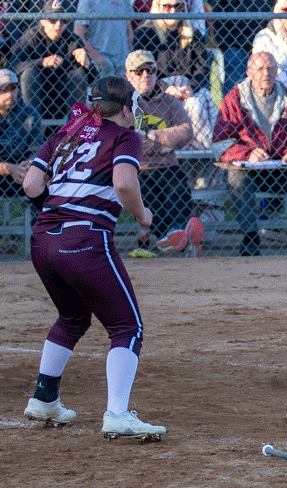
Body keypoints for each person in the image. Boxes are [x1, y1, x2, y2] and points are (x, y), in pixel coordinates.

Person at [21, 76, 166, 439]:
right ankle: (117, 413)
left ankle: (44, 398)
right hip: (84, 238)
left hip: (42, 238)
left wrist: (60, 212)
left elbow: (31, 185)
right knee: (127, 328)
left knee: (72, 317)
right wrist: (142, 215)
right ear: (125, 108)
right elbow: (123, 183)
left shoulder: (69, 130)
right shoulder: (124, 135)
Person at [213, 51, 287, 256]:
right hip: (252, 171)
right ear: (249, 72)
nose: (266, 73)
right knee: (235, 176)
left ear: (277, 71)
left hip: (283, 168)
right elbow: (220, 143)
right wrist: (247, 154)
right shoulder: (234, 99)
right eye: (260, 68)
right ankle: (250, 238)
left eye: (271, 68)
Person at [124, 49, 202, 256]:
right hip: (138, 168)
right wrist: (167, 142)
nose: (145, 76)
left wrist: (154, 137)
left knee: (178, 191)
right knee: (149, 198)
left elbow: (186, 131)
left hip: (168, 165)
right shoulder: (125, 105)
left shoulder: (169, 101)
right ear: (127, 75)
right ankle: (175, 238)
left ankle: (175, 235)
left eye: (150, 70)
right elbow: (131, 143)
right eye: (139, 71)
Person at [133, 0, 217, 150]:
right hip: (157, 92)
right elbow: (141, 71)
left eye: (178, 6)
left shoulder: (193, 33)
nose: (173, 11)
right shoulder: (145, 33)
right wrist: (165, 87)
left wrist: (190, 88)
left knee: (196, 104)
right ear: (157, 7)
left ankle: (200, 152)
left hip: (187, 90)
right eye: (167, 6)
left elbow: (202, 71)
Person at [9, 0, 91, 121]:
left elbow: (93, 78)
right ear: (42, 21)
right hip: (36, 94)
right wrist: (41, 62)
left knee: (79, 74)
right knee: (29, 73)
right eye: (52, 20)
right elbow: (12, 66)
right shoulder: (32, 36)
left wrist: (88, 64)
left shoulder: (72, 39)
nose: (58, 25)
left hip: (63, 97)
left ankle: (76, 128)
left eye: (63, 21)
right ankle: (32, 129)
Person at [211, 0, 270, 96]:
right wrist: (226, 45)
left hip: (265, 45)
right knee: (235, 89)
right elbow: (218, 13)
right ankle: (231, 110)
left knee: (266, 87)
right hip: (236, 46)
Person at [0, 69, 41, 199]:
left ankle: (39, 219)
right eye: (3, 90)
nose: (9, 94)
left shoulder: (30, 114)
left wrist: (28, 164)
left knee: (43, 179)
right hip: (3, 168)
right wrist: (9, 169)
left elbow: (36, 148)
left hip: (21, 169)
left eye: (13, 88)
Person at [74, 0, 133, 77]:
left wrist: (129, 58)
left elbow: (129, 31)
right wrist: (98, 59)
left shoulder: (125, 1)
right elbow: (78, 34)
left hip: (122, 64)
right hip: (102, 64)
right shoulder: (87, 1)